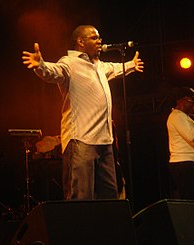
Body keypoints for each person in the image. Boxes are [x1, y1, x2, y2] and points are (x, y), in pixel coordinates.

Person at [22, 25, 144, 200]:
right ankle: (78, 227)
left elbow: (115, 68)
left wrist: (131, 64)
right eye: (94, 38)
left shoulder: (99, 66)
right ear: (80, 41)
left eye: (99, 38)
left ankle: (106, 227)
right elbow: (54, 72)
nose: (100, 41)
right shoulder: (69, 63)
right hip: (81, 140)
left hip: (105, 142)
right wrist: (40, 66)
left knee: (109, 196)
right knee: (80, 196)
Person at [167, 87, 194, 200]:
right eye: (192, 101)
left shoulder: (186, 118)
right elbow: (191, 135)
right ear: (181, 101)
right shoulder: (177, 116)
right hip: (184, 163)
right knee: (192, 199)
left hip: (192, 162)